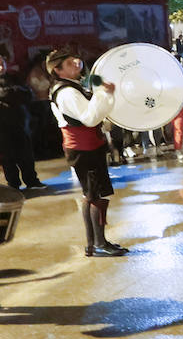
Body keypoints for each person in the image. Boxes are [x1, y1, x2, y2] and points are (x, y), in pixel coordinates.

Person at [46, 49, 125, 256]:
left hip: (87, 147)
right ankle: (99, 244)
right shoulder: (66, 92)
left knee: (91, 195)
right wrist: (104, 94)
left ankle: (95, 244)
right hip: (83, 149)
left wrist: (101, 89)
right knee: (95, 196)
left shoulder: (72, 85)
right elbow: (89, 118)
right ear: (58, 69)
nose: (76, 64)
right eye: (70, 63)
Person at [0, 52, 43, 188]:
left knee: (26, 155)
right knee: (8, 158)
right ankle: (13, 184)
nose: (0, 67)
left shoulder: (14, 78)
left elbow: (28, 93)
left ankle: (32, 181)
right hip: (2, 128)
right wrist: (11, 94)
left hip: (20, 123)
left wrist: (9, 94)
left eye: (1, 63)